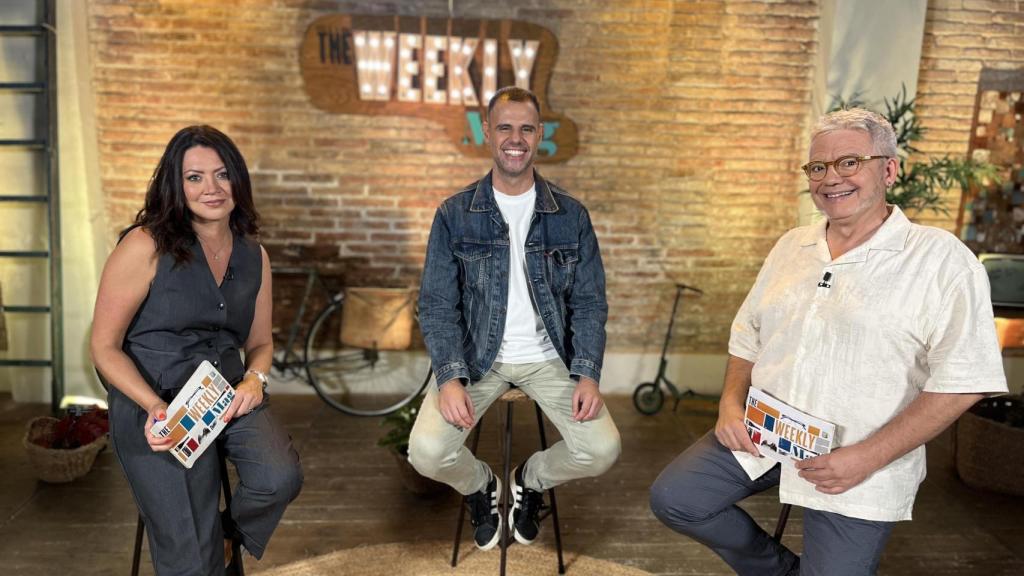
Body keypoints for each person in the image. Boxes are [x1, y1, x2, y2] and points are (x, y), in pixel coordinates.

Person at [649, 108, 1008, 576]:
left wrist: (869, 457)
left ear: (889, 169)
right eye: (818, 167)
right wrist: (730, 403)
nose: (830, 178)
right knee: (677, 498)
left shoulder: (941, 261)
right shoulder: (792, 246)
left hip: (857, 456)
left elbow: (965, 379)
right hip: (767, 434)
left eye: (849, 162)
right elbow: (748, 335)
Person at [409, 86, 621, 550]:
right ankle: (481, 484)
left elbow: (589, 302)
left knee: (602, 449)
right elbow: (438, 305)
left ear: (539, 135)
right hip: (475, 359)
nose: (515, 138)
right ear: (486, 132)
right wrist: (448, 378)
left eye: (526, 128)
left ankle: (532, 478)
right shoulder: (454, 214)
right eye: (505, 126)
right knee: (425, 452)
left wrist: (586, 373)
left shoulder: (570, 215)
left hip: (551, 359)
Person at [91, 125, 303, 576]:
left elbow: (261, 343)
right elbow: (104, 348)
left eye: (222, 175)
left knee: (279, 476)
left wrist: (255, 379)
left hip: (225, 394)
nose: (211, 188)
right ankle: (204, 554)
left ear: (237, 181)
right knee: (192, 560)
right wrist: (153, 408)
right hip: (156, 402)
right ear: (175, 183)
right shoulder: (144, 245)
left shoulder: (254, 255)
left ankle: (226, 540)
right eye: (195, 177)